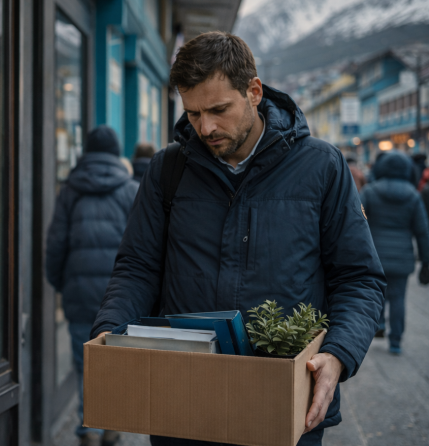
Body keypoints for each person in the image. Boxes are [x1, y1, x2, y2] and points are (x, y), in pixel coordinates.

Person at [91, 32, 385, 446]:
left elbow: (359, 278)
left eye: (218, 109)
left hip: (282, 401)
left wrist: (339, 354)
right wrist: (109, 335)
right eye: (193, 113)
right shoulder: (167, 170)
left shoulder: (322, 167)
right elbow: (137, 269)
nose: (205, 127)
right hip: (182, 398)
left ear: (254, 92)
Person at [46, 125, 139, 446]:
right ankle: (111, 426)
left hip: (80, 292)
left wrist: (60, 283)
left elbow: (55, 244)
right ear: (115, 154)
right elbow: (143, 249)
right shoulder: (130, 190)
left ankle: (88, 428)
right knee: (118, 361)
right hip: (121, 297)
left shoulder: (70, 190)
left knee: (84, 361)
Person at [360, 151, 429, 354]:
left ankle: (379, 324)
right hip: (402, 257)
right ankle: (396, 341)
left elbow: (357, 221)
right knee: (398, 298)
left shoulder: (370, 191)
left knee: (377, 293)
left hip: (375, 255)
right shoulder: (413, 195)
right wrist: (426, 260)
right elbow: (422, 231)